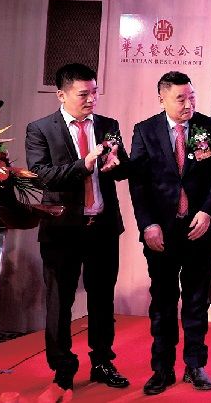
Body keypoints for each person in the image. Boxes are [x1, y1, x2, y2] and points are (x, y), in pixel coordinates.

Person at [24, 62, 130, 391]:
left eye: (95, 92)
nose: (91, 99)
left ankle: (102, 362)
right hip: (62, 230)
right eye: (84, 94)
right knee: (60, 301)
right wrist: (83, 165)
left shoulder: (108, 125)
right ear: (61, 95)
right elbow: (42, 175)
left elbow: (123, 168)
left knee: (102, 299)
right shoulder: (41, 129)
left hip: (102, 227)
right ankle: (63, 368)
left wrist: (116, 165)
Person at [128, 71, 211, 394]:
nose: (188, 104)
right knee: (163, 300)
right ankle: (162, 368)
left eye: (191, 97)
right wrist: (148, 224)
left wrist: (208, 211)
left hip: (200, 229)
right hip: (162, 232)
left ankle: (195, 365)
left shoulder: (210, 128)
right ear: (162, 99)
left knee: (197, 301)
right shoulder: (145, 131)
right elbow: (138, 183)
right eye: (180, 98)